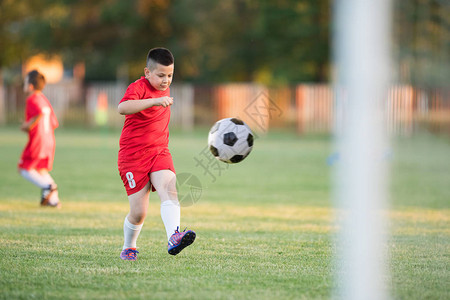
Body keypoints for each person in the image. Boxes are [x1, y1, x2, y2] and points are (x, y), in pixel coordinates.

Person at [117, 47, 195, 261]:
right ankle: (129, 247)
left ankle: (174, 236)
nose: (165, 81)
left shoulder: (164, 88)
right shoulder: (138, 87)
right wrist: (153, 101)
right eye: (160, 75)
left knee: (170, 189)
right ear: (147, 72)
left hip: (159, 151)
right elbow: (122, 107)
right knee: (139, 212)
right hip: (133, 156)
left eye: (170, 75)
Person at [18, 70, 61, 208]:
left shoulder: (32, 99)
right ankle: (54, 201)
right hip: (49, 140)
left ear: (30, 86)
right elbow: (54, 122)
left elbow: (39, 113)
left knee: (24, 168)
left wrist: (27, 125)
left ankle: (47, 187)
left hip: (38, 141)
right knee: (41, 169)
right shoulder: (44, 99)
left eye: (25, 82)